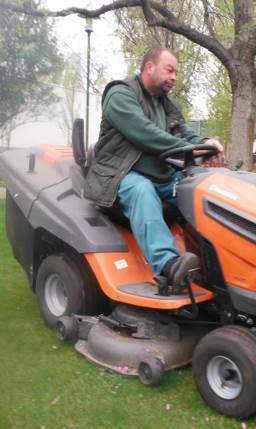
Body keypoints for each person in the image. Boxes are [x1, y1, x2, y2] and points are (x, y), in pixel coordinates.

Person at [84, 47, 223, 289]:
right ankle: (169, 265)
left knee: (204, 187)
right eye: (169, 70)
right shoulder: (120, 94)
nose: (174, 77)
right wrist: (187, 148)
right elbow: (144, 133)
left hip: (161, 177)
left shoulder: (166, 105)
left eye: (176, 73)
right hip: (119, 175)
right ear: (149, 66)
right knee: (141, 190)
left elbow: (185, 133)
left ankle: (217, 259)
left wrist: (204, 144)